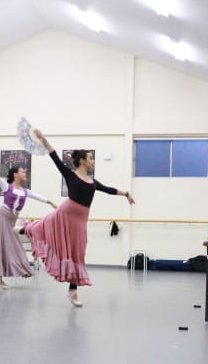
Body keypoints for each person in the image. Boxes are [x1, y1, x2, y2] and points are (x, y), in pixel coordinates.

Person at [23, 129, 134, 307]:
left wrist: (126, 193)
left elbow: (109, 190)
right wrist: (43, 139)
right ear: (82, 161)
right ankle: (23, 229)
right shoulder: (70, 174)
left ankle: (72, 291)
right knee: (42, 226)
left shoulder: (93, 182)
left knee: (78, 253)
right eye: (90, 158)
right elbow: (54, 157)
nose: (93, 161)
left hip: (80, 222)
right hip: (65, 214)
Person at [0, 164, 57, 289]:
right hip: (1, 217)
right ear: (15, 174)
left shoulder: (26, 192)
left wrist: (51, 203)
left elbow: (40, 198)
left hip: (11, 221)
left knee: (9, 247)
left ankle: (12, 272)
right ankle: (0, 278)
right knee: (4, 246)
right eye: (22, 171)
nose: (25, 173)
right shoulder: (7, 186)